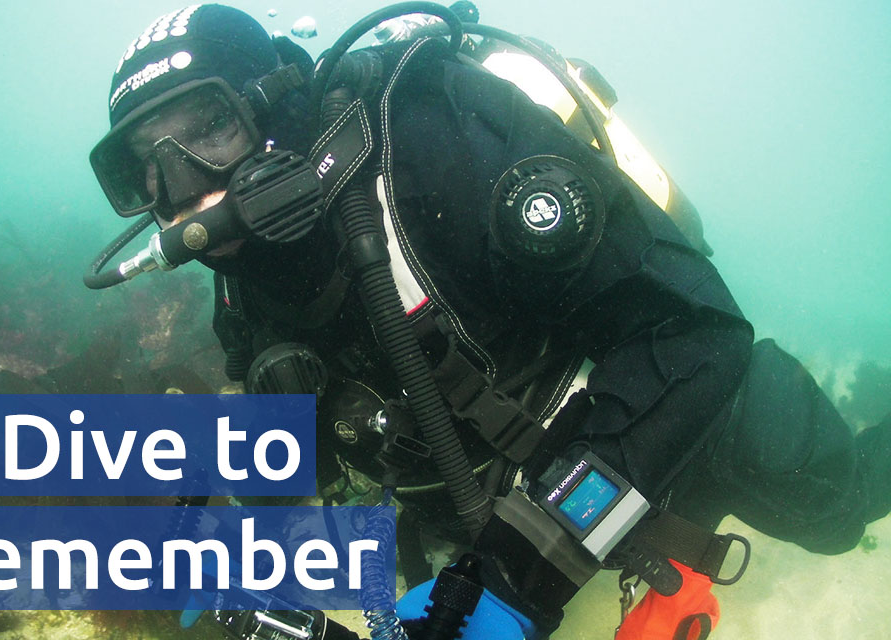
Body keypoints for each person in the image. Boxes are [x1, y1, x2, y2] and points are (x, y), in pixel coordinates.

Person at [87, 3, 891, 638]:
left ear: (280, 104)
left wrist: (519, 575)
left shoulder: (436, 138)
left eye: (210, 132)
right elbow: (314, 446)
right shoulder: (243, 287)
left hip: (685, 426)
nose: (187, 189)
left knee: (841, 511)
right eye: (145, 167)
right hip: (500, 516)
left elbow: (693, 332)